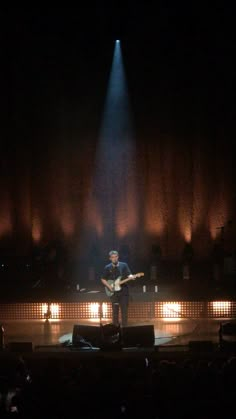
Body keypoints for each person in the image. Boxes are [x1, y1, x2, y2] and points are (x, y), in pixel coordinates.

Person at [101, 250, 134, 327]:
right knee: (115, 311)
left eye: (116, 257)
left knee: (124, 311)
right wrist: (109, 287)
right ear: (110, 258)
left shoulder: (124, 265)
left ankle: (125, 328)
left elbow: (129, 274)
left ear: (118, 257)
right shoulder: (107, 267)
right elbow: (103, 279)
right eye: (113, 257)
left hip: (124, 292)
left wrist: (131, 277)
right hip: (114, 293)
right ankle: (115, 329)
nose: (114, 258)